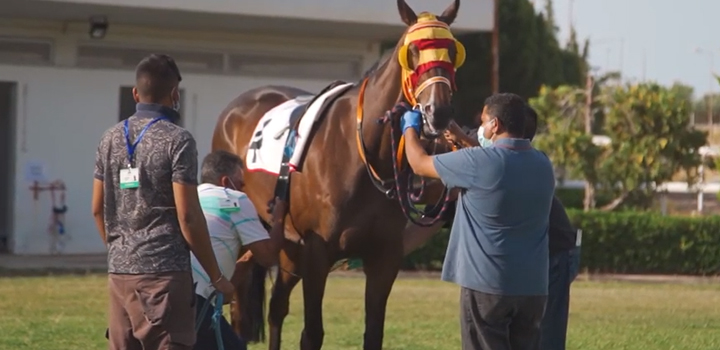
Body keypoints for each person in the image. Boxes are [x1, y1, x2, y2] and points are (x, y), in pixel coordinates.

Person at [403, 104, 581, 350]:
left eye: (484, 122)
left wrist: (409, 126)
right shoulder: (541, 163)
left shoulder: (477, 164)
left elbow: (419, 163)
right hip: (532, 285)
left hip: (501, 280)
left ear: (495, 125)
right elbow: (495, 164)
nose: (480, 130)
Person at [91, 53, 234, 350]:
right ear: (174, 94)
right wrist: (217, 277)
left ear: (135, 93)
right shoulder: (178, 140)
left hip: (120, 275)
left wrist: (123, 252)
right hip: (164, 279)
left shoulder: (108, 139)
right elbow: (189, 216)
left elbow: (97, 208)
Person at [192, 150, 287, 350]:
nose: (243, 190)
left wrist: (250, 253)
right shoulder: (234, 200)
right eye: (241, 183)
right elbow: (268, 257)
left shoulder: (189, 198)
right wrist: (279, 218)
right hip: (196, 302)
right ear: (226, 182)